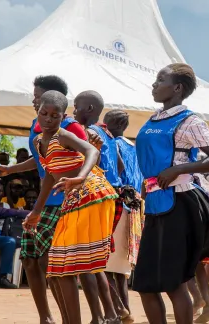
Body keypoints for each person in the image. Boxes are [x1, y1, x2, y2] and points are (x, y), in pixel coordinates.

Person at [0, 75, 88, 324]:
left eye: (37, 96)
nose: (34, 101)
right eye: (36, 100)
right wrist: (10, 170)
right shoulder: (37, 128)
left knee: (55, 266)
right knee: (30, 258)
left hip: (65, 203)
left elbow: (87, 158)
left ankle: (73, 318)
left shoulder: (70, 128)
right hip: (45, 201)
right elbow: (43, 165)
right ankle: (45, 317)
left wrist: (77, 182)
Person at [133, 63, 209, 324]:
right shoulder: (153, 118)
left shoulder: (190, 120)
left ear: (178, 88)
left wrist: (179, 168)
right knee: (146, 284)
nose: (154, 84)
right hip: (155, 203)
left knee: (174, 284)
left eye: (161, 80)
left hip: (180, 203)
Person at [27, 90, 118, 324]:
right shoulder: (39, 142)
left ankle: (107, 313)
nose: (48, 119)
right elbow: (49, 175)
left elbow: (92, 150)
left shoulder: (63, 135)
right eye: (43, 113)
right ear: (37, 112)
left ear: (63, 116)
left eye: (54, 115)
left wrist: (80, 177)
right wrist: (36, 211)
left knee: (65, 264)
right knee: (58, 266)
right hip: (74, 200)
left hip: (92, 195)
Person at [72, 91, 126, 324]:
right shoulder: (108, 134)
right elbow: (121, 167)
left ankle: (108, 313)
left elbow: (81, 163)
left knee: (88, 256)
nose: (74, 112)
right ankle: (115, 310)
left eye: (78, 107)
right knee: (97, 257)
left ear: (91, 109)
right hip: (111, 196)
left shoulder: (89, 133)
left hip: (94, 197)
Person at [103, 109, 145, 323]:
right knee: (120, 268)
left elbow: (116, 169)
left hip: (117, 206)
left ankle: (118, 309)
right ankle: (124, 309)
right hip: (134, 209)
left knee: (104, 264)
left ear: (109, 123)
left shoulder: (112, 144)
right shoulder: (134, 147)